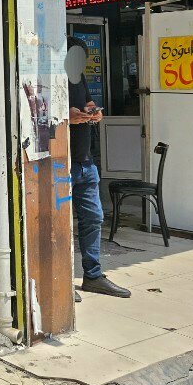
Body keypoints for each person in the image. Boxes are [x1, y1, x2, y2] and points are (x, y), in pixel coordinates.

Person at [68, 37, 130, 299]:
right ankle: (59, 281)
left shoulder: (79, 78)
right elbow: (39, 114)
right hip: (60, 163)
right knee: (58, 224)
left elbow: (89, 103)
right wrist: (67, 116)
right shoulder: (51, 78)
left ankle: (93, 276)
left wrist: (94, 112)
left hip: (85, 161)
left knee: (93, 217)